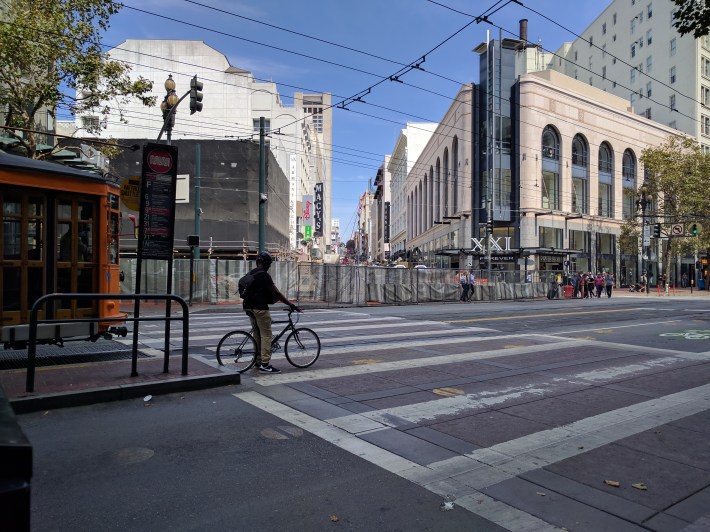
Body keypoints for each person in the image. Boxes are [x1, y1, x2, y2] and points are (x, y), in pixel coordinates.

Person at [242, 251, 300, 373]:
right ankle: (265, 364)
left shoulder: (252, 273)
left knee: (257, 334)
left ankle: (257, 361)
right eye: (269, 264)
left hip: (248, 307)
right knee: (266, 335)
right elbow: (277, 293)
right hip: (260, 308)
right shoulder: (264, 275)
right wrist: (290, 304)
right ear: (266, 263)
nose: (269, 266)